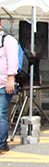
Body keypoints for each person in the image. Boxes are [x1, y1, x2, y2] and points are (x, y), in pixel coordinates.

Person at [0, 18, 19, 154]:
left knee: (0, 114)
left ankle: (1, 143)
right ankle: (3, 142)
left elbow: (13, 60)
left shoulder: (7, 40)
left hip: (3, 83)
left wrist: (10, 78)